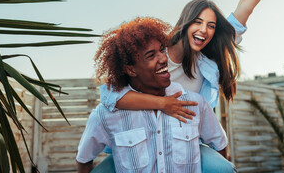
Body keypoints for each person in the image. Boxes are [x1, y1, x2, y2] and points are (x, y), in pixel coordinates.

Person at [99, 0, 284, 172]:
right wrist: (163, 104)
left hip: (184, 144)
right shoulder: (154, 53)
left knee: (224, 169)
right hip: (139, 142)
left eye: (211, 25)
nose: (204, 30)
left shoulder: (206, 63)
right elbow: (110, 96)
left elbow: (244, 9)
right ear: (186, 23)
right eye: (198, 22)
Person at [76, 17, 229, 173]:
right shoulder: (106, 115)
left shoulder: (195, 104)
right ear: (131, 70)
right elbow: (84, 160)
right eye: (151, 55)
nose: (163, 59)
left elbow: (220, 149)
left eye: (162, 50)